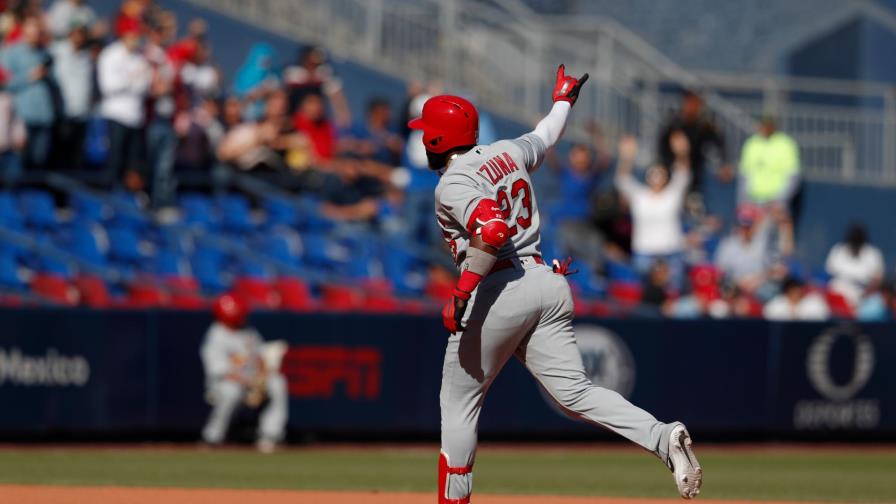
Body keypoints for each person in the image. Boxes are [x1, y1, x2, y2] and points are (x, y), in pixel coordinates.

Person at [408, 65, 702, 503]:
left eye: (424, 132)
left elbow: (491, 232)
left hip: (500, 288)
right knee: (574, 395)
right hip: (545, 281)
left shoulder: (452, 182)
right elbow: (546, 134)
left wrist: (461, 291)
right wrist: (563, 100)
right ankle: (663, 437)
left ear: (435, 141)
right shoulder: (506, 151)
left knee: (459, 404)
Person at [200, 293, 288, 453]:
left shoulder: (248, 330)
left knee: (277, 382)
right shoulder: (216, 335)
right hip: (224, 384)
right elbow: (221, 371)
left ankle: (270, 435)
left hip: (252, 381)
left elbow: (260, 356)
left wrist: (262, 377)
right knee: (231, 391)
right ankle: (212, 438)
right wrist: (251, 383)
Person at [615, 132, 691, 288]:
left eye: (660, 173)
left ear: (666, 177)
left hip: (671, 252)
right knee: (645, 294)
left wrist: (682, 152)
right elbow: (622, 180)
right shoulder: (639, 195)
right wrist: (626, 158)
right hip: (645, 253)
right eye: (653, 173)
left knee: (673, 293)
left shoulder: (672, 194)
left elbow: (683, 174)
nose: (656, 177)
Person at [97, 18, 151, 187]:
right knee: (114, 161)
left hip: (135, 117)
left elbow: (145, 85)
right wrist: (131, 79)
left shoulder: (140, 57)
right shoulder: (110, 55)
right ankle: (109, 200)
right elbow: (108, 86)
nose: (136, 39)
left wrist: (132, 81)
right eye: (133, 35)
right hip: (116, 115)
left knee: (133, 165)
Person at [1, 16, 54, 170]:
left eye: (38, 27)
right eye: (32, 27)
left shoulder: (45, 53)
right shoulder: (11, 53)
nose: (35, 31)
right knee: (19, 165)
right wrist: (29, 77)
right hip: (21, 117)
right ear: (23, 28)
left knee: (39, 161)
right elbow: (4, 83)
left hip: (44, 115)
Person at [657, 91, 730, 194]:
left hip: (695, 176)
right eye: (690, 103)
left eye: (697, 104)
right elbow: (662, 146)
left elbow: (719, 142)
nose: (693, 107)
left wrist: (724, 163)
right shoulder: (675, 125)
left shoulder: (703, 126)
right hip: (673, 175)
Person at [50, 23, 92, 170]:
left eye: (82, 34)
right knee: (60, 155)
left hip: (81, 114)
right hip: (63, 113)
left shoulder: (86, 56)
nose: (79, 37)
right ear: (70, 34)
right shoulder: (57, 50)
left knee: (76, 156)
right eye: (76, 33)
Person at [738, 117, 800, 213]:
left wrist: (780, 200)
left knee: (769, 227)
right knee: (744, 226)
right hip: (754, 201)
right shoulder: (752, 143)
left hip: (776, 202)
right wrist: (743, 201)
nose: (764, 129)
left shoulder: (785, 144)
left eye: (767, 126)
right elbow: (744, 175)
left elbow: (793, 176)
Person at [283, 45, 350, 127]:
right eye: (310, 61)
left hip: (314, 120)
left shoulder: (325, 74)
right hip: (291, 113)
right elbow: (282, 93)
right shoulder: (292, 71)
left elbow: (338, 98)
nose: (313, 66)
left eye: (317, 63)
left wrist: (343, 118)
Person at [824, 223, 884, 308]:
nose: (856, 240)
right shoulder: (838, 251)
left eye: (858, 238)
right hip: (835, 301)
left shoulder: (873, 254)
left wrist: (866, 296)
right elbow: (827, 275)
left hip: (864, 301)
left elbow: (878, 280)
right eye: (854, 237)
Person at [763, 276, 830, 321]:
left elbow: (822, 316)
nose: (796, 294)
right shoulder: (776, 303)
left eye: (797, 290)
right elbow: (769, 316)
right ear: (787, 292)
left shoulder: (814, 302)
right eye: (792, 291)